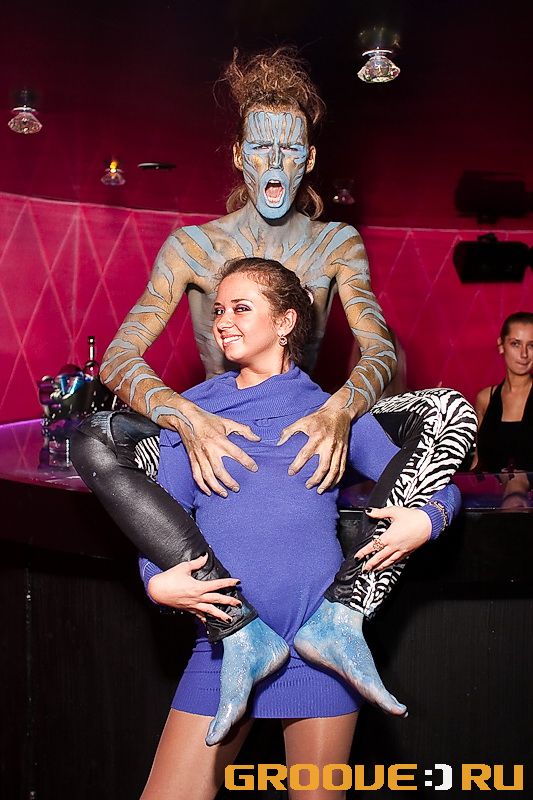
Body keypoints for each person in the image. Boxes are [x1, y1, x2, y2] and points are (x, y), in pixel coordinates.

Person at [134, 258, 470, 800]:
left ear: (286, 321)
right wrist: (155, 580)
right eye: (218, 310)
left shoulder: (333, 413)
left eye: (241, 308)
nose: (223, 321)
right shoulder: (190, 411)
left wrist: (428, 520)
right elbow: (157, 514)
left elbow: (439, 482)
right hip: (228, 642)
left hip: (321, 645)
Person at [473, 311, 533, 472]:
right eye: (515, 344)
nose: (524, 354)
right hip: (492, 489)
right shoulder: (485, 399)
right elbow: (478, 462)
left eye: (531, 345)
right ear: (501, 345)